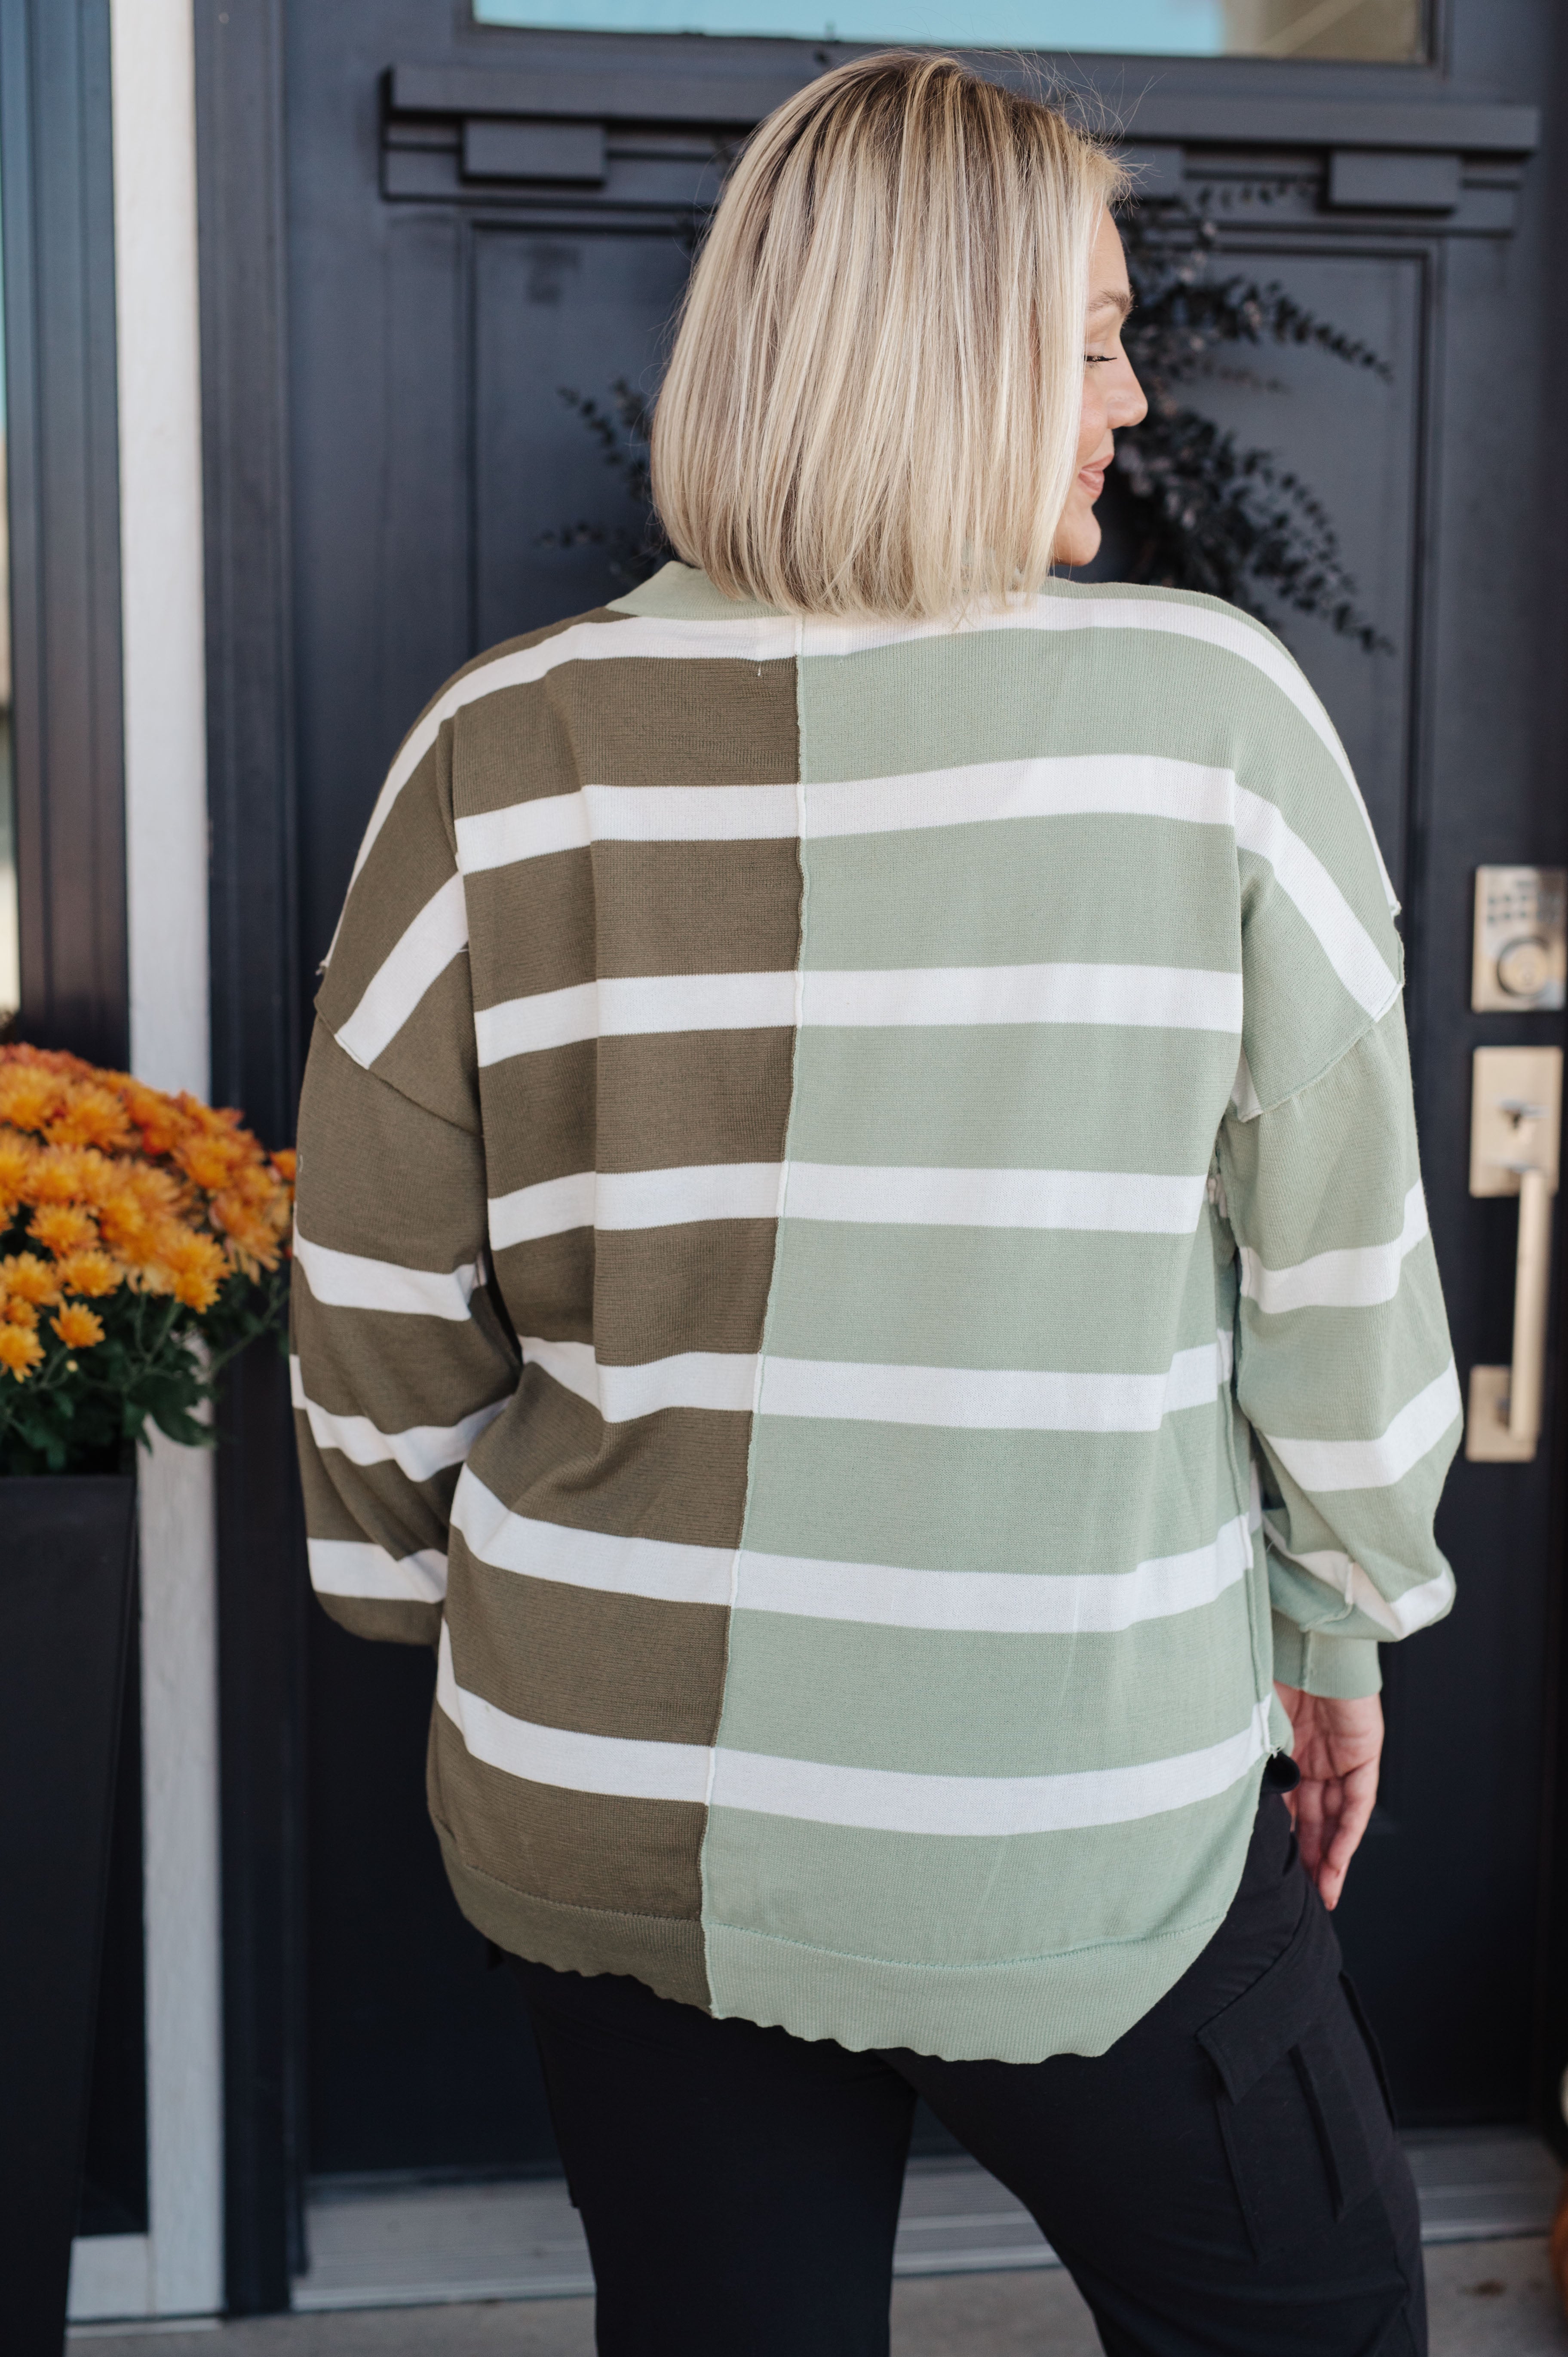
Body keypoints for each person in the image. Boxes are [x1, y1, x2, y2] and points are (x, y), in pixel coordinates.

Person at [291, 53, 1458, 2357]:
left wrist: (417, 1591)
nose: (1130, 397)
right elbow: (1335, 1269)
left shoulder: (499, 746)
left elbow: (375, 1300)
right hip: (1064, 1798)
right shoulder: (1204, 719)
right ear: (941, 348)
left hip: (603, 1793)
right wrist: (1342, 1625)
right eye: (1093, 333)